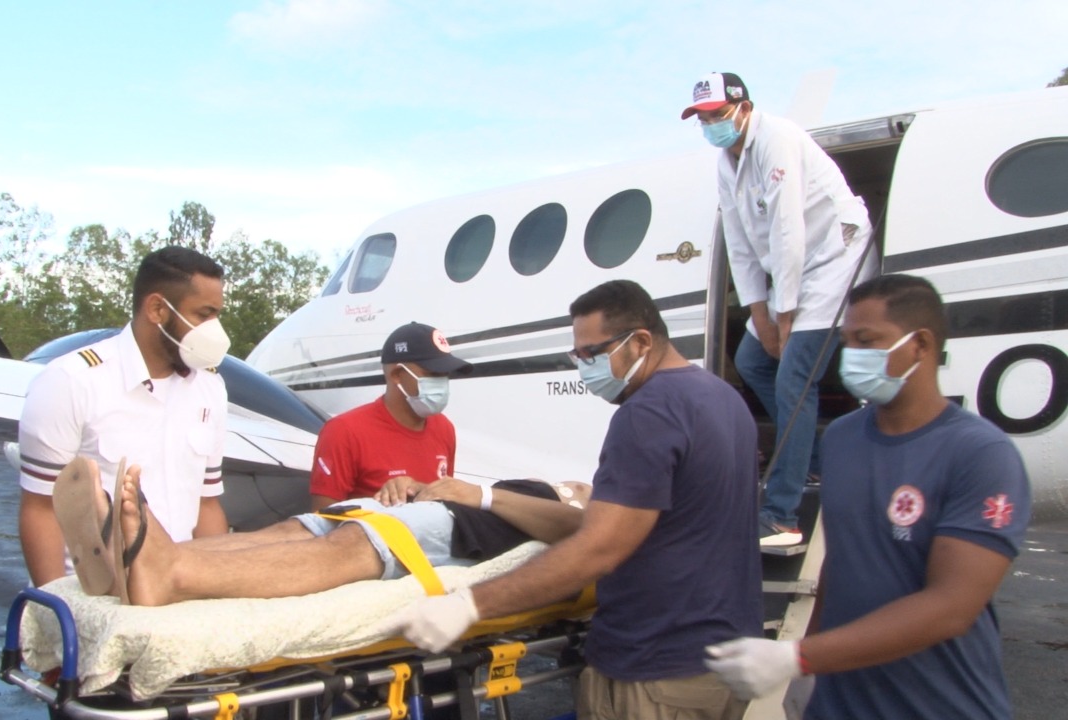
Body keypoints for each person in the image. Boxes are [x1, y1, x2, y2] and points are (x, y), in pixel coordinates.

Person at [396, 280, 763, 720]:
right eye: (577, 356)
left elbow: (599, 547)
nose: (584, 367)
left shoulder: (648, 413)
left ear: (641, 342)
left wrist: (469, 605)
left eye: (592, 353)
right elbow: (626, 525)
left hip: (656, 671)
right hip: (721, 663)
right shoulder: (723, 399)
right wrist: (486, 497)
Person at [705, 275, 1031, 719]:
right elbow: (841, 562)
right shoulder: (843, 438)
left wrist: (796, 657)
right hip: (841, 703)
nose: (852, 356)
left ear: (920, 345)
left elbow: (952, 607)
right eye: (847, 342)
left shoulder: (979, 454)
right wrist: (809, 668)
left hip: (938, 705)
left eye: (867, 341)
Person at [683, 72, 878, 546]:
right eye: (702, 118)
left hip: (833, 257)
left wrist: (784, 316)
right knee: (752, 360)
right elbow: (741, 243)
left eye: (717, 115)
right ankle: (814, 461)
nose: (710, 125)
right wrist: (760, 313)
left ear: (744, 108)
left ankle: (781, 513)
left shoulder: (778, 140)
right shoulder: (727, 164)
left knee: (795, 377)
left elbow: (788, 229)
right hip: (794, 270)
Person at [53, 454, 590, 605]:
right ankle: (139, 557)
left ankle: (171, 572)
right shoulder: (546, 485)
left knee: (351, 547)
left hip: (467, 526)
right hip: (438, 506)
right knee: (297, 528)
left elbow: (580, 530)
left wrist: (484, 495)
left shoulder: (588, 509)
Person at [18, 246, 233, 589]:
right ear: (157, 309)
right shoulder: (70, 381)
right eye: (203, 315)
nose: (214, 330)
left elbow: (206, 505)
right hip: (94, 594)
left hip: (178, 591)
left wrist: (218, 587)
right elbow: (41, 508)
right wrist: (58, 606)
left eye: (216, 316)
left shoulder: (210, 388)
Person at [309, 321, 472, 511]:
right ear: (397, 375)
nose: (442, 383)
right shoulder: (344, 431)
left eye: (445, 375)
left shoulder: (444, 428)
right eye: (433, 374)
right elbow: (322, 518)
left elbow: (445, 500)